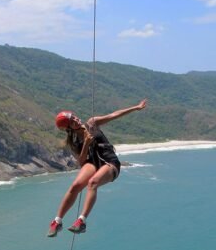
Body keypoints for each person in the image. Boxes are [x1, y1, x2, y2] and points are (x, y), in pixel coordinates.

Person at [47, 98, 147, 236]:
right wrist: (87, 143)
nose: (76, 119)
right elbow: (81, 162)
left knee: (92, 183)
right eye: (72, 121)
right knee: (75, 186)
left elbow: (113, 115)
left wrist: (135, 108)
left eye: (74, 117)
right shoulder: (74, 142)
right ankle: (57, 221)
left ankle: (81, 221)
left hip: (110, 162)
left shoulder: (92, 123)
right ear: (69, 128)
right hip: (92, 163)